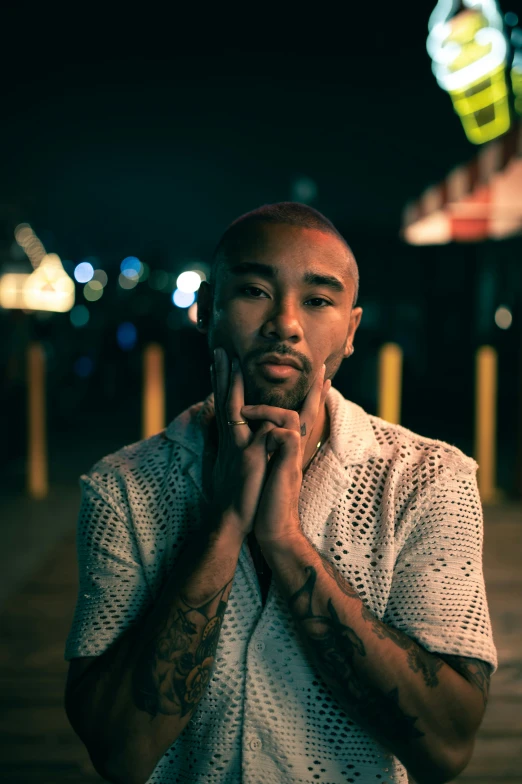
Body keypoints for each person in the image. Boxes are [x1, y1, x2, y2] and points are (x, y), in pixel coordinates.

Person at [64, 202, 497, 784]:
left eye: (319, 300)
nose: (285, 325)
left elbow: (444, 749)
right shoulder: (123, 488)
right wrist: (223, 527)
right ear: (206, 311)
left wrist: (286, 542)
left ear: (350, 331)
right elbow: (120, 754)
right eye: (253, 291)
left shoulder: (427, 478)